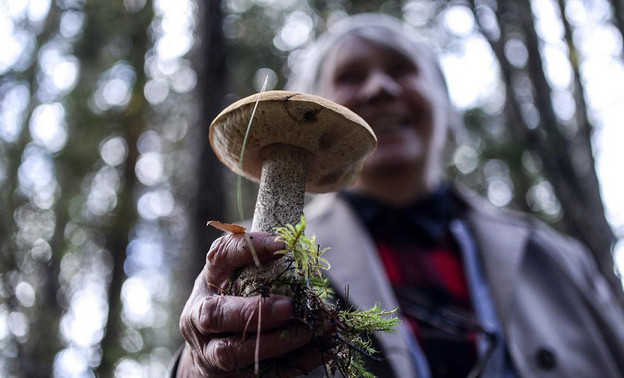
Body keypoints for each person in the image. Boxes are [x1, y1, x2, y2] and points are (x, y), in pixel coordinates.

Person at [171, 14, 624, 377]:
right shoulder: (263, 258)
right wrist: (199, 365)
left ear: (446, 106)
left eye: (402, 69)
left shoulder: (557, 258)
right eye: (351, 76)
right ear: (309, 103)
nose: (379, 88)